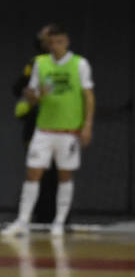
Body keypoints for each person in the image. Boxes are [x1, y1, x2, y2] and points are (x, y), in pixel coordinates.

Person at [3, 25, 94, 238]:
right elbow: (31, 95)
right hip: (44, 129)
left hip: (69, 130)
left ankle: (59, 222)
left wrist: (87, 125)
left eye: (59, 41)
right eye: (51, 42)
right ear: (46, 44)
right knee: (33, 172)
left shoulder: (79, 64)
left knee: (65, 175)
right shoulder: (40, 64)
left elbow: (88, 96)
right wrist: (33, 94)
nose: (55, 46)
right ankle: (22, 221)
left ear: (67, 41)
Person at [11, 24, 54, 149]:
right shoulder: (36, 62)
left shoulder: (72, 64)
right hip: (37, 116)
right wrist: (28, 93)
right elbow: (18, 88)